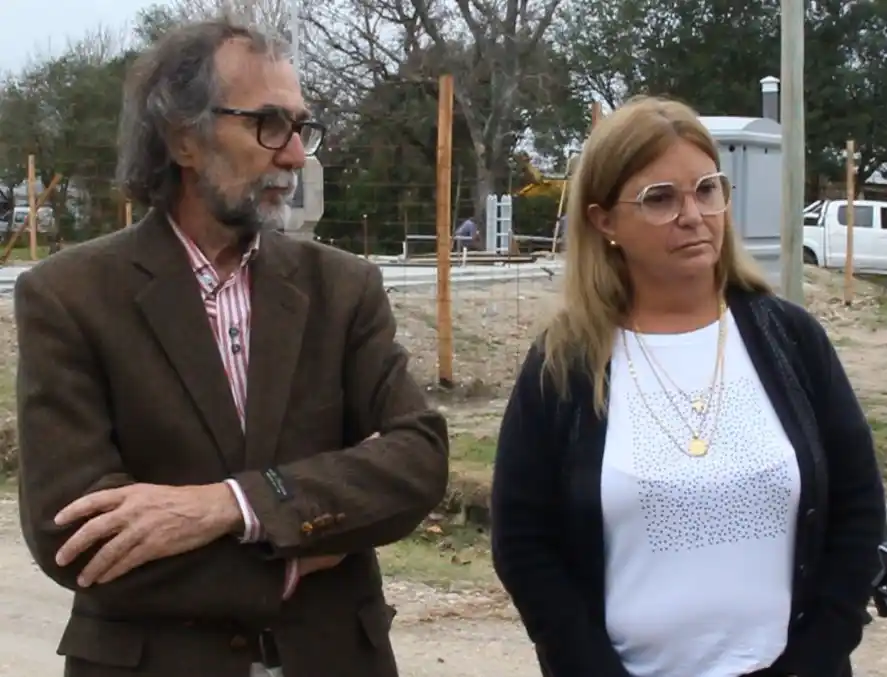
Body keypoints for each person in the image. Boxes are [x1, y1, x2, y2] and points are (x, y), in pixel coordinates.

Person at [15, 19, 448, 677]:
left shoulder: (343, 287)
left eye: (302, 127)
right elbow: (74, 533)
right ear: (182, 138)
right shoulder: (68, 295)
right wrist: (296, 550)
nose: (295, 155)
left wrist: (234, 504)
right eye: (268, 125)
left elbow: (416, 458)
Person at [490, 96, 885, 677]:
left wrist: (816, 654)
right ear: (604, 221)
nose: (693, 215)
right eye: (660, 199)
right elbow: (524, 543)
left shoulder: (791, 341)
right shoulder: (564, 366)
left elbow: (859, 508)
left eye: (707, 190)